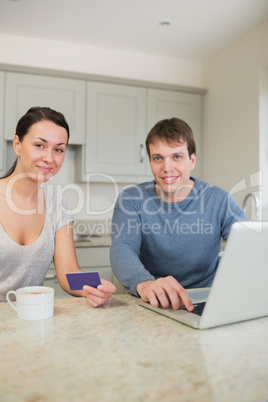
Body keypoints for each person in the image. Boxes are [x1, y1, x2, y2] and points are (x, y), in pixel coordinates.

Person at [110, 117, 248, 311]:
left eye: (176, 157)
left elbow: (248, 246)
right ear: (150, 161)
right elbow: (122, 248)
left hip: (206, 301)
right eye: (158, 158)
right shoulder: (131, 199)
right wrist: (145, 284)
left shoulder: (219, 199)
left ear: (191, 160)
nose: (167, 168)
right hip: (152, 301)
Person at [0, 106, 116, 305]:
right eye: (40, 145)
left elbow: (69, 272)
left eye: (58, 149)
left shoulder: (58, 205)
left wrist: (95, 286)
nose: (49, 158)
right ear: (17, 145)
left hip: (31, 318)